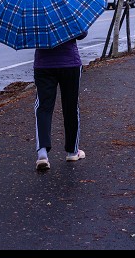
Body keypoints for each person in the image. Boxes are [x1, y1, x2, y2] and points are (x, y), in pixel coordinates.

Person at [33, 30, 87, 171]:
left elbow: (30, 37)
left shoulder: (33, 13)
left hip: (43, 65)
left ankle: (42, 154)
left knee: (43, 107)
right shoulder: (68, 9)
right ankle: (72, 151)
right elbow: (82, 34)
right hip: (70, 63)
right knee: (71, 107)